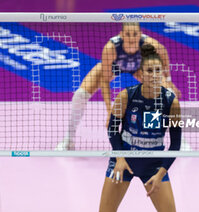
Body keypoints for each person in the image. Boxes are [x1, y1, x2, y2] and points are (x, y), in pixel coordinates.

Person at [91, 44, 183, 212]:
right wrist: (120, 158)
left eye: (158, 70)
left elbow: (175, 144)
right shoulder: (126, 96)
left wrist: (160, 174)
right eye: (150, 70)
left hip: (154, 165)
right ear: (141, 73)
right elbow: (112, 129)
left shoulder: (171, 102)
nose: (155, 75)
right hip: (123, 161)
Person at [56, 22, 181, 150]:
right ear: (121, 35)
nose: (132, 38)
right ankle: (69, 140)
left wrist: (169, 80)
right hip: (114, 67)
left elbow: (163, 52)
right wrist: (109, 111)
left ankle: (180, 140)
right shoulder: (111, 48)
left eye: (135, 34)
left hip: (139, 68)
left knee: (170, 93)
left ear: (140, 34)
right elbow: (104, 80)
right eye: (128, 34)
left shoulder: (148, 44)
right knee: (80, 95)